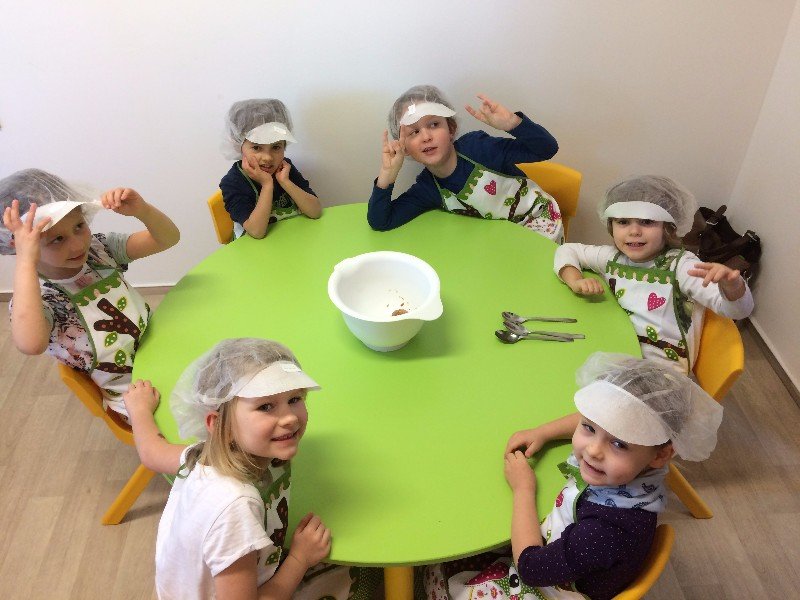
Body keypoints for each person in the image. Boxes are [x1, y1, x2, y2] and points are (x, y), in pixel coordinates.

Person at [423, 352, 723, 600]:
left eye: (619, 444)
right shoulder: (641, 466)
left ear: (661, 454)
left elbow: (531, 568)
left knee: (436, 573)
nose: (593, 450)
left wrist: (524, 489)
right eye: (589, 428)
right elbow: (595, 418)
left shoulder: (604, 531)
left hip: (552, 587)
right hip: (565, 553)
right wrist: (543, 431)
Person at [122, 338, 379, 599]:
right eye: (266, 406)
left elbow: (152, 453)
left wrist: (139, 410)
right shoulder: (236, 509)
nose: (290, 418)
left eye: (294, 398)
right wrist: (300, 559)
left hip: (195, 584)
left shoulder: (204, 454)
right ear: (218, 424)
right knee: (366, 578)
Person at [1, 168, 180, 419]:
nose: (77, 245)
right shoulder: (39, 299)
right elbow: (31, 344)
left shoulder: (99, 250)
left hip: (165, 349)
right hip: (138, 394)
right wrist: (25, 262)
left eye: (79, 226)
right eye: (57, 239)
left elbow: (168, 239)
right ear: (19, 247)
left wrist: (143, 211)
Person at [554, 176, 753, 373]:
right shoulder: (612, 258)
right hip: (614, 350)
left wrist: (732, 287)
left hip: (660, 372)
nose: (634, 231)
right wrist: (575, 280)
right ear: (611, 226)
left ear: (668, 228)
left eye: (647, 221)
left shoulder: (682, 267)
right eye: (623, 221)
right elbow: (567, 250)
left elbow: (738, 311)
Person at [367, 85, 563, 242]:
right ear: (405, 148)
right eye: (414, 132)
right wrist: (388, 174)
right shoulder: (428, 188)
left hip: (539, 221)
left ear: (451, 129)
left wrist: (512, 123)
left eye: (434, 124)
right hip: (500, 239)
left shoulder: (479, 148)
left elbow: (547, 149)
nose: (426, 136)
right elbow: (381, 221)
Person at [219, 99, 322, 239]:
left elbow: (315, 212)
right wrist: (267, 185)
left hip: (291, 240)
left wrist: (285, 182)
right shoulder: (233, 182)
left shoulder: (285, 169)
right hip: (254, 250)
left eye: (276, 147)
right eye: (256, 147)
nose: (267, 157)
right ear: (238, 145)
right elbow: (256, 232)